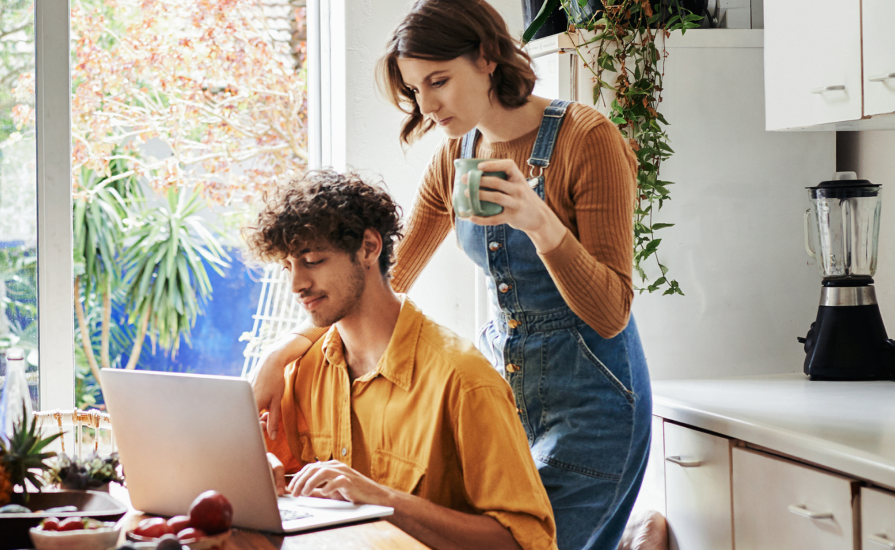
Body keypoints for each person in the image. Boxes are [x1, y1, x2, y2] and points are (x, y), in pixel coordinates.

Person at [251, 1, 651, 549]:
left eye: (438, 81)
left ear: (488, 58)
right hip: (504, 392)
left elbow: (611, 312)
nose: (428, 105)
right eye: (415, 90)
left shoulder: (588, 139)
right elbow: (387, 271)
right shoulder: (457, 156)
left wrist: (538, 221)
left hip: (593, 403)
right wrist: (285, 352)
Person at [244, 170, 557, 550]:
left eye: (312, 260)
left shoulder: (464, 381)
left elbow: (525, 543)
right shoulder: (301, 371)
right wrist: (266, 476)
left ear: (369, 248)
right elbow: (285, 481)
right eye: (288, 266)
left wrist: (385, 501)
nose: (296, 284)